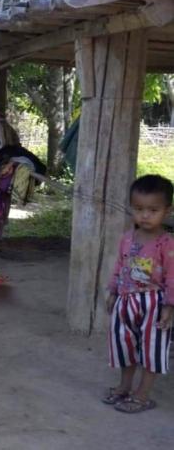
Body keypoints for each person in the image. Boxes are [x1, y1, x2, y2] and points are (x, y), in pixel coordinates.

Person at [103, 174, 173, 413]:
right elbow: (120, 266)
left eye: (153, 210)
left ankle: (142, 395)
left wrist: (169, 306)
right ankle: (124, 387)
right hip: (125, 301)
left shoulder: (167, 244)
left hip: (154, 303)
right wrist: (113, 291)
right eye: (139, 209)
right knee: (125, 345)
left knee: (152, 348)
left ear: (167, 210)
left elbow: (173, 277)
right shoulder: (127, 239)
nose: (145, 215)